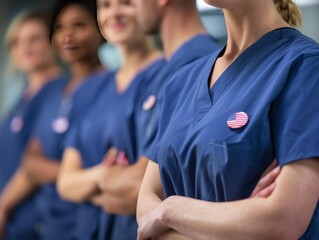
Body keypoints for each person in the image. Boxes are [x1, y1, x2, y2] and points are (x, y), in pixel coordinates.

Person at [137, 0, 319, 239]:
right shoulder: (181, 82)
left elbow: (285, 218)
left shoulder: (305, 66)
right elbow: (145, 207)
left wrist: (171, 211)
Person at [57, 0, 163, 239]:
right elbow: (65, 183)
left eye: (125, 3)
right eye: (105, 5)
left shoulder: (170, 74)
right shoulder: (93, 88)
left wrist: (87, 185)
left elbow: (139, 187)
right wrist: (105, 175)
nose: (113, 13)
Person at [0, 0, 106, 239]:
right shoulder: (53, 97)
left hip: (66, 221)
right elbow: (30, 159)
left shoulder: (95, 88)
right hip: (40, 223)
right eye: (59, 28)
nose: (68, 35)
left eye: (34, 38)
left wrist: (3, 204)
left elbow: (93, 167)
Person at [0, 11, 61, 240]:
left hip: (36, 222)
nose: (24, 47)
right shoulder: (20, 100)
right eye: (17, 42)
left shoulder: (58, 92)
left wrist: (3, 205)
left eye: (34, 38)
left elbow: (34, 163)